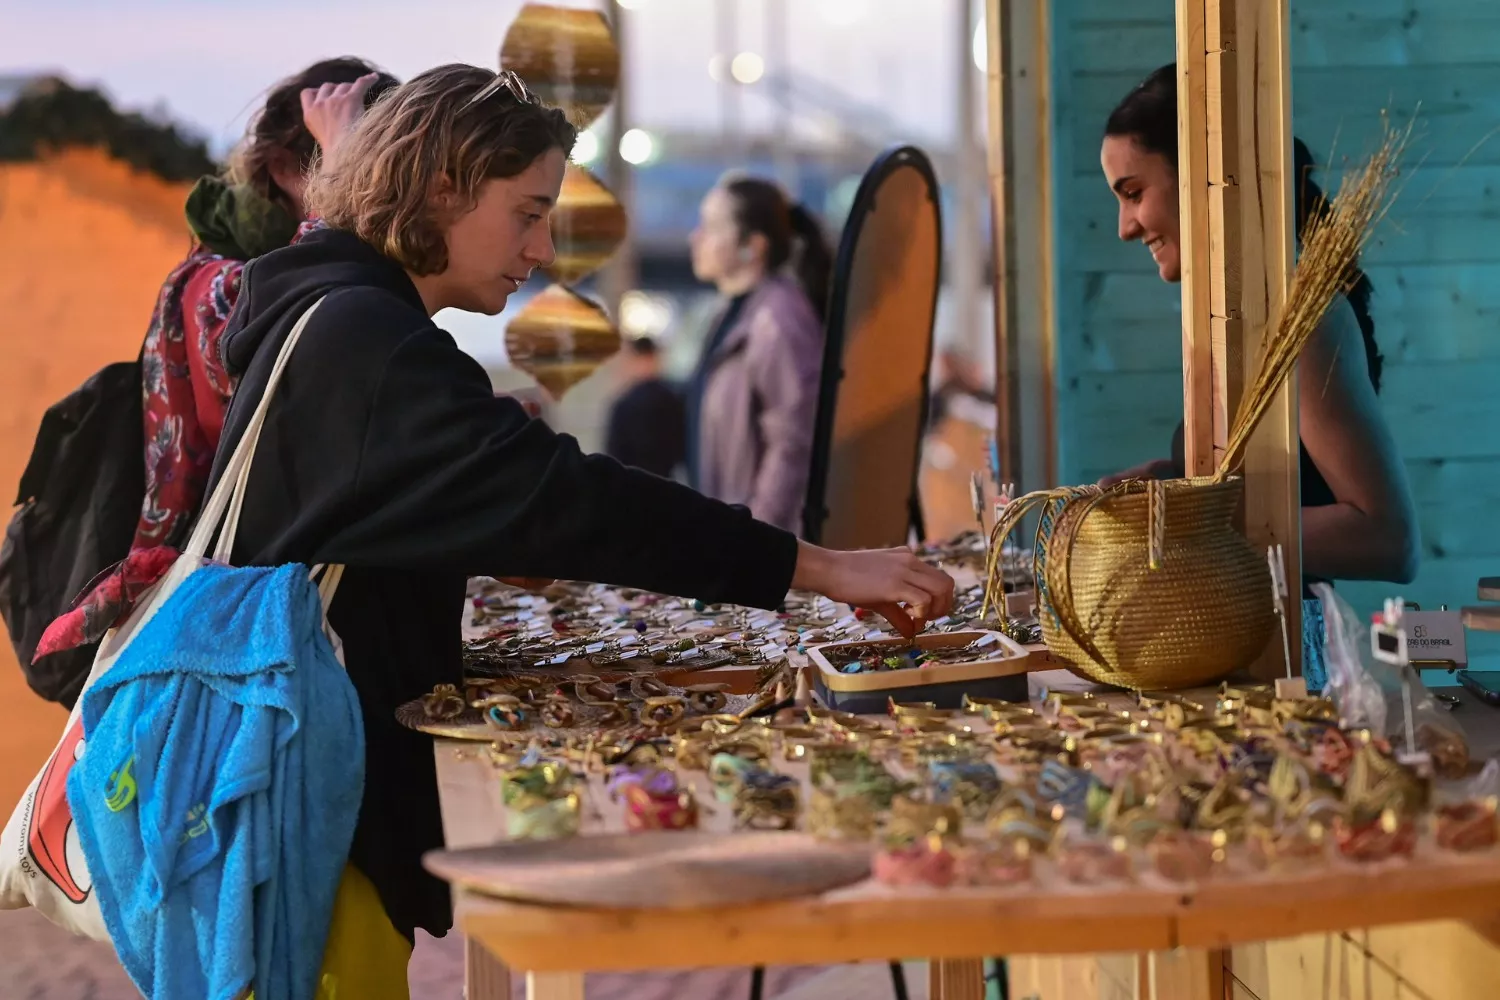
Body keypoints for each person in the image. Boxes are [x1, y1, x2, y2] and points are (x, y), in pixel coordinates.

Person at [207, 64, 953, 977]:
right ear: (442, 186)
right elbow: (584, 503)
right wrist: (824, 568)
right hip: (310, 814)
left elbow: (460, 512)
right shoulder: (372, 341)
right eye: (527, 212)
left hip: (294, 784)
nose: (544, 247)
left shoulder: (327, 309)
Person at [32, 59, 399, 678]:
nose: (385, 189)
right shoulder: (219, 284)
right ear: (284, 169)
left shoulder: (306, 273)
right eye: (369, 165)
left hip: (258, 619)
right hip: (215, 634)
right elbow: (306, 375)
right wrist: (340, 174)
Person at [1098, 63, 1419, 588]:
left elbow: (1391, 541)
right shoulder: (1231, 316)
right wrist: (1166, 481)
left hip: (1287, 638)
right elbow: (1271, 481)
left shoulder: (1303, 322)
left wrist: (1194, 517)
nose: (1124, 228)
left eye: (1133, 194)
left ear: (1200, 175)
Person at [685, 176, 832, 535]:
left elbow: (793, 444)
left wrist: (756, 539)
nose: (695, 237)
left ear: (753, 246)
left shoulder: (779, 318)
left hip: (760, 544)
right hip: (733, 536)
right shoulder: (730, 314)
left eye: (711, 227)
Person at [604, 336, 686, 477]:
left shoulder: (624, 404)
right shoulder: (674, 398)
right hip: (668, 483)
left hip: (632, 484)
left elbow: (613, 455)